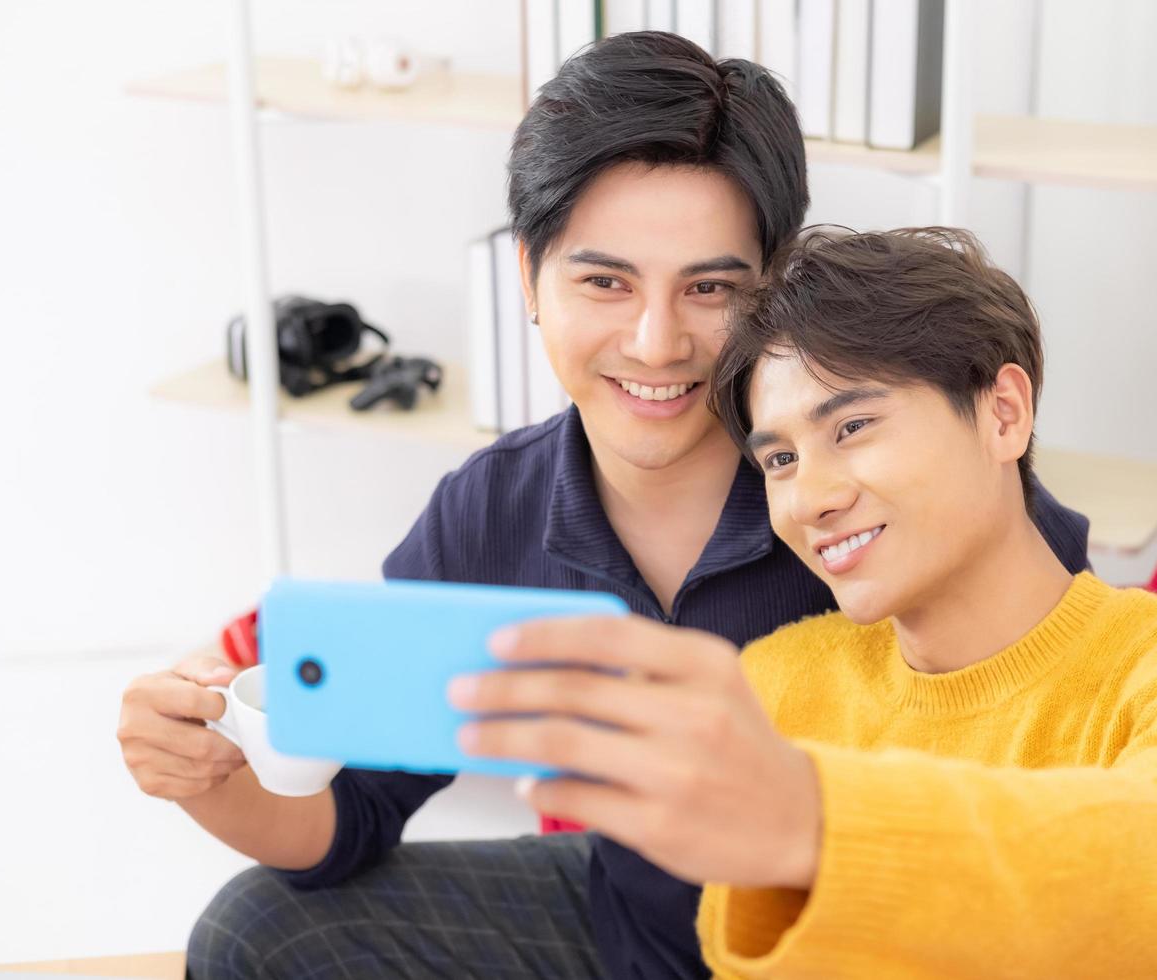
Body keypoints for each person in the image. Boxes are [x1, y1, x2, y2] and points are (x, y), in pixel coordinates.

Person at [117, 35, 1090, 979]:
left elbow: (1067, 789)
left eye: (711, 287)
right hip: (629, 923)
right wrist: (209, 772)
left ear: (776, 286)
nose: (657, 341)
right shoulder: (491, 511)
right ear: (530, 279)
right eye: (605, 281)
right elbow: (354, 811)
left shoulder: (876, 487)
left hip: (863, 948)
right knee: (259, 928)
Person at [450, 227, 1157, 978]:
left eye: (852, 428)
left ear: (1003, 414)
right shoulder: (780, 683)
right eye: (780, 459)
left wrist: (815, 818)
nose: (810, 498)